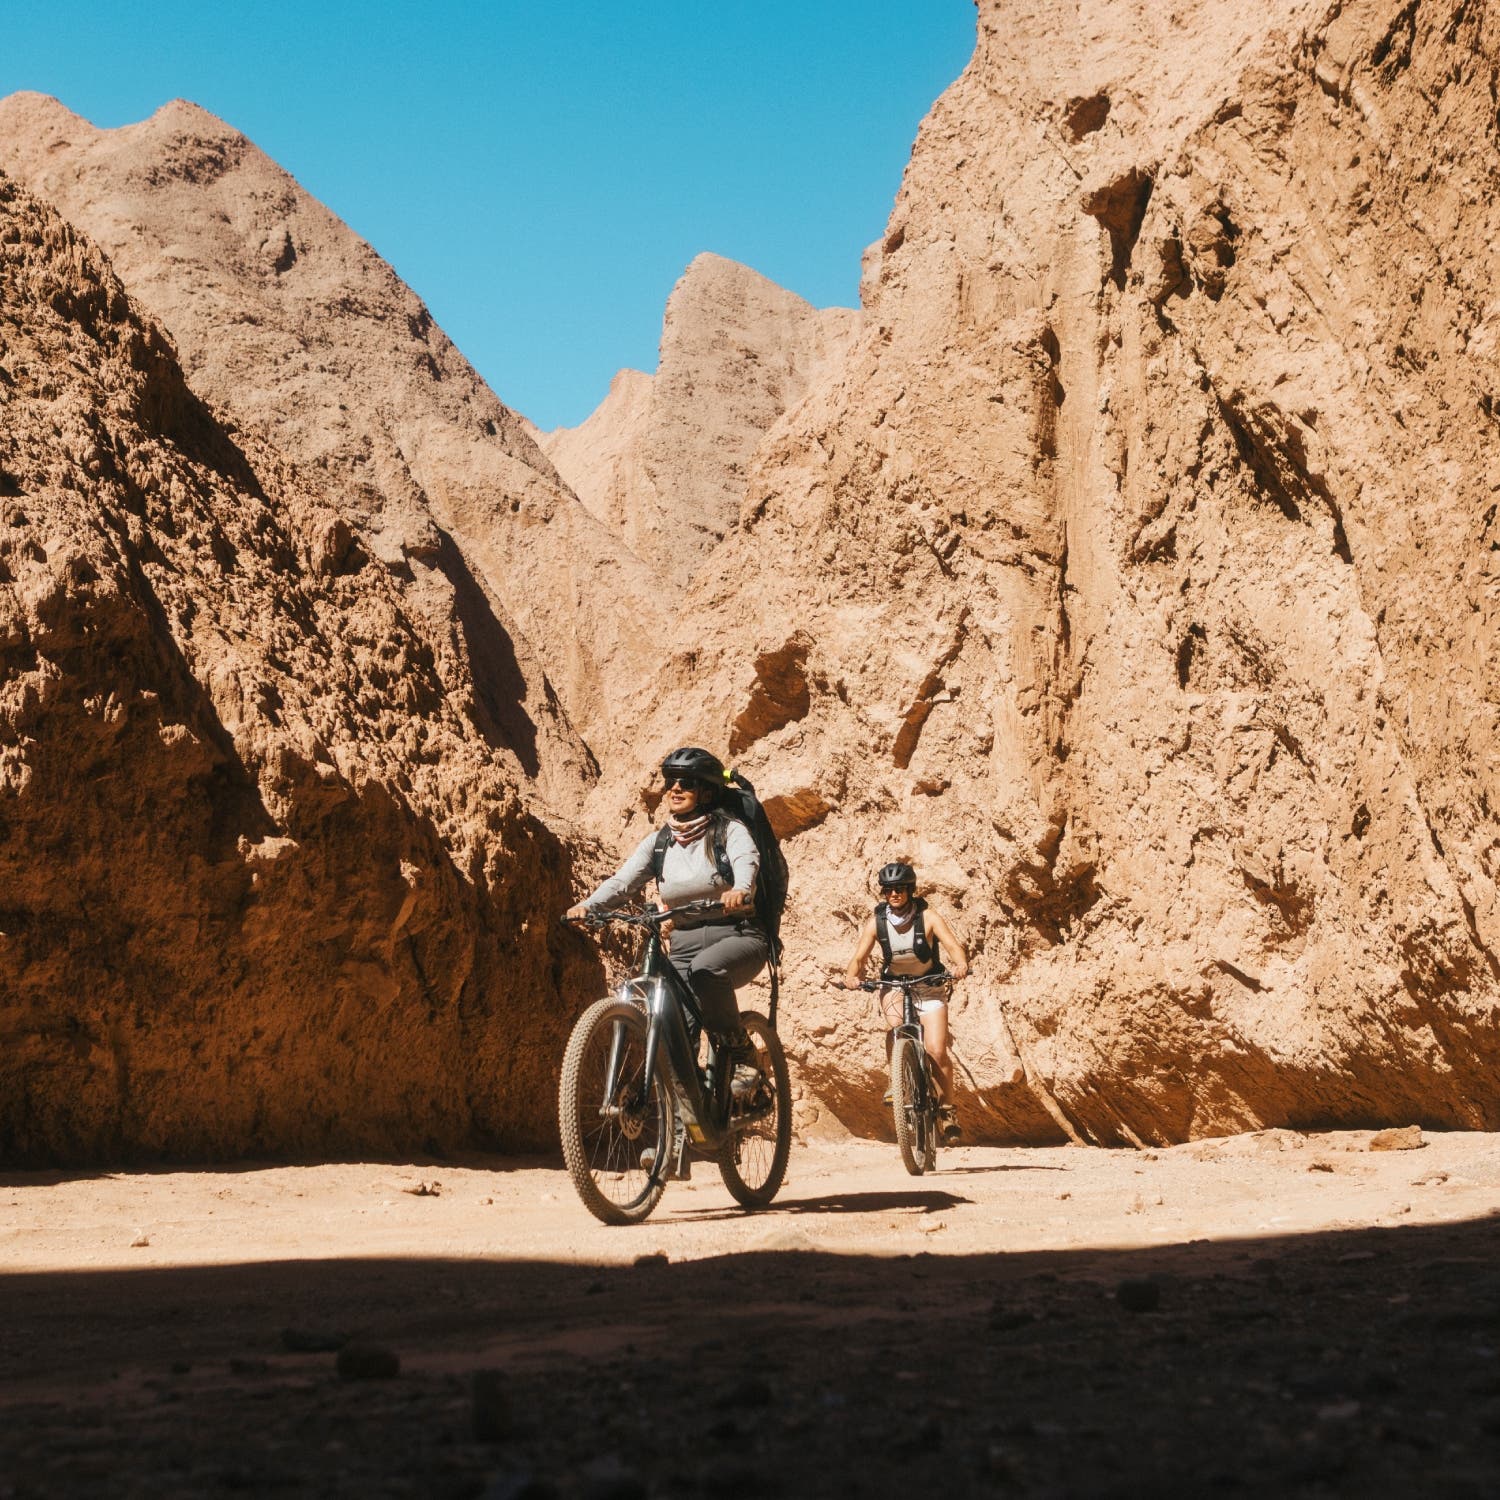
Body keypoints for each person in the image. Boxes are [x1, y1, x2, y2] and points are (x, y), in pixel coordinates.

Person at [566, 746, 767, 1096]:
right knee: (675, 1034)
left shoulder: (729, 830)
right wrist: (588, 905)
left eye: (686, 783)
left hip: (737, 934)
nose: (674, 788)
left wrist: (740, 889)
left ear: (707, 792)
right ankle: (684, 1123)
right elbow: (623, 882)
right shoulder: (660, 841)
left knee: (706, 971)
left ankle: (742, 1054)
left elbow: (746, 860)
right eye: (671, 781)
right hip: (684, 941)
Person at [843, 862, 969, 1142]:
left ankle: (947, 1110)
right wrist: (852, 977)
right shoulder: (877, 923)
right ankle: (897, 1083)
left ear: (910, 890)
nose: (894, 894)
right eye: (888, 890)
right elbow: (859, 958)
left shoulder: (928, 917)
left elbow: (952, 946)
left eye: (900, 889)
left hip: (929, 986)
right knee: (897, 1028)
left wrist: (960, 964)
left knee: (936, 1051)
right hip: (895, 986)